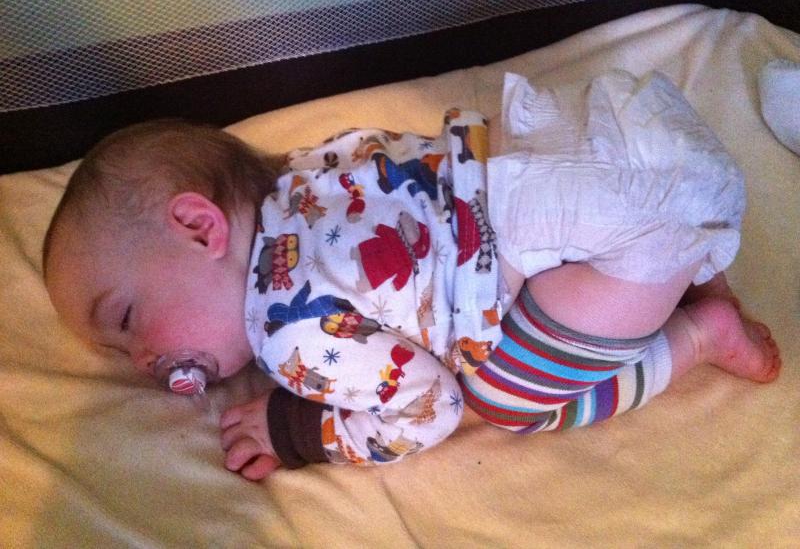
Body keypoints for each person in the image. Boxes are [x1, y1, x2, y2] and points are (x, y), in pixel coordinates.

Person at [43, 71, 780, 481]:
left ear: (199, 227)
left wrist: (299, 430)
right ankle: (692, 269)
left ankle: (699, 332)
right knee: (561, 261)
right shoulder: (308, 176)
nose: (140, 360)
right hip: (583, 165)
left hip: (630, 243)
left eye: (127, 319)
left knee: (506, 398)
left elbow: (432, 409)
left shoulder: (286, 332)